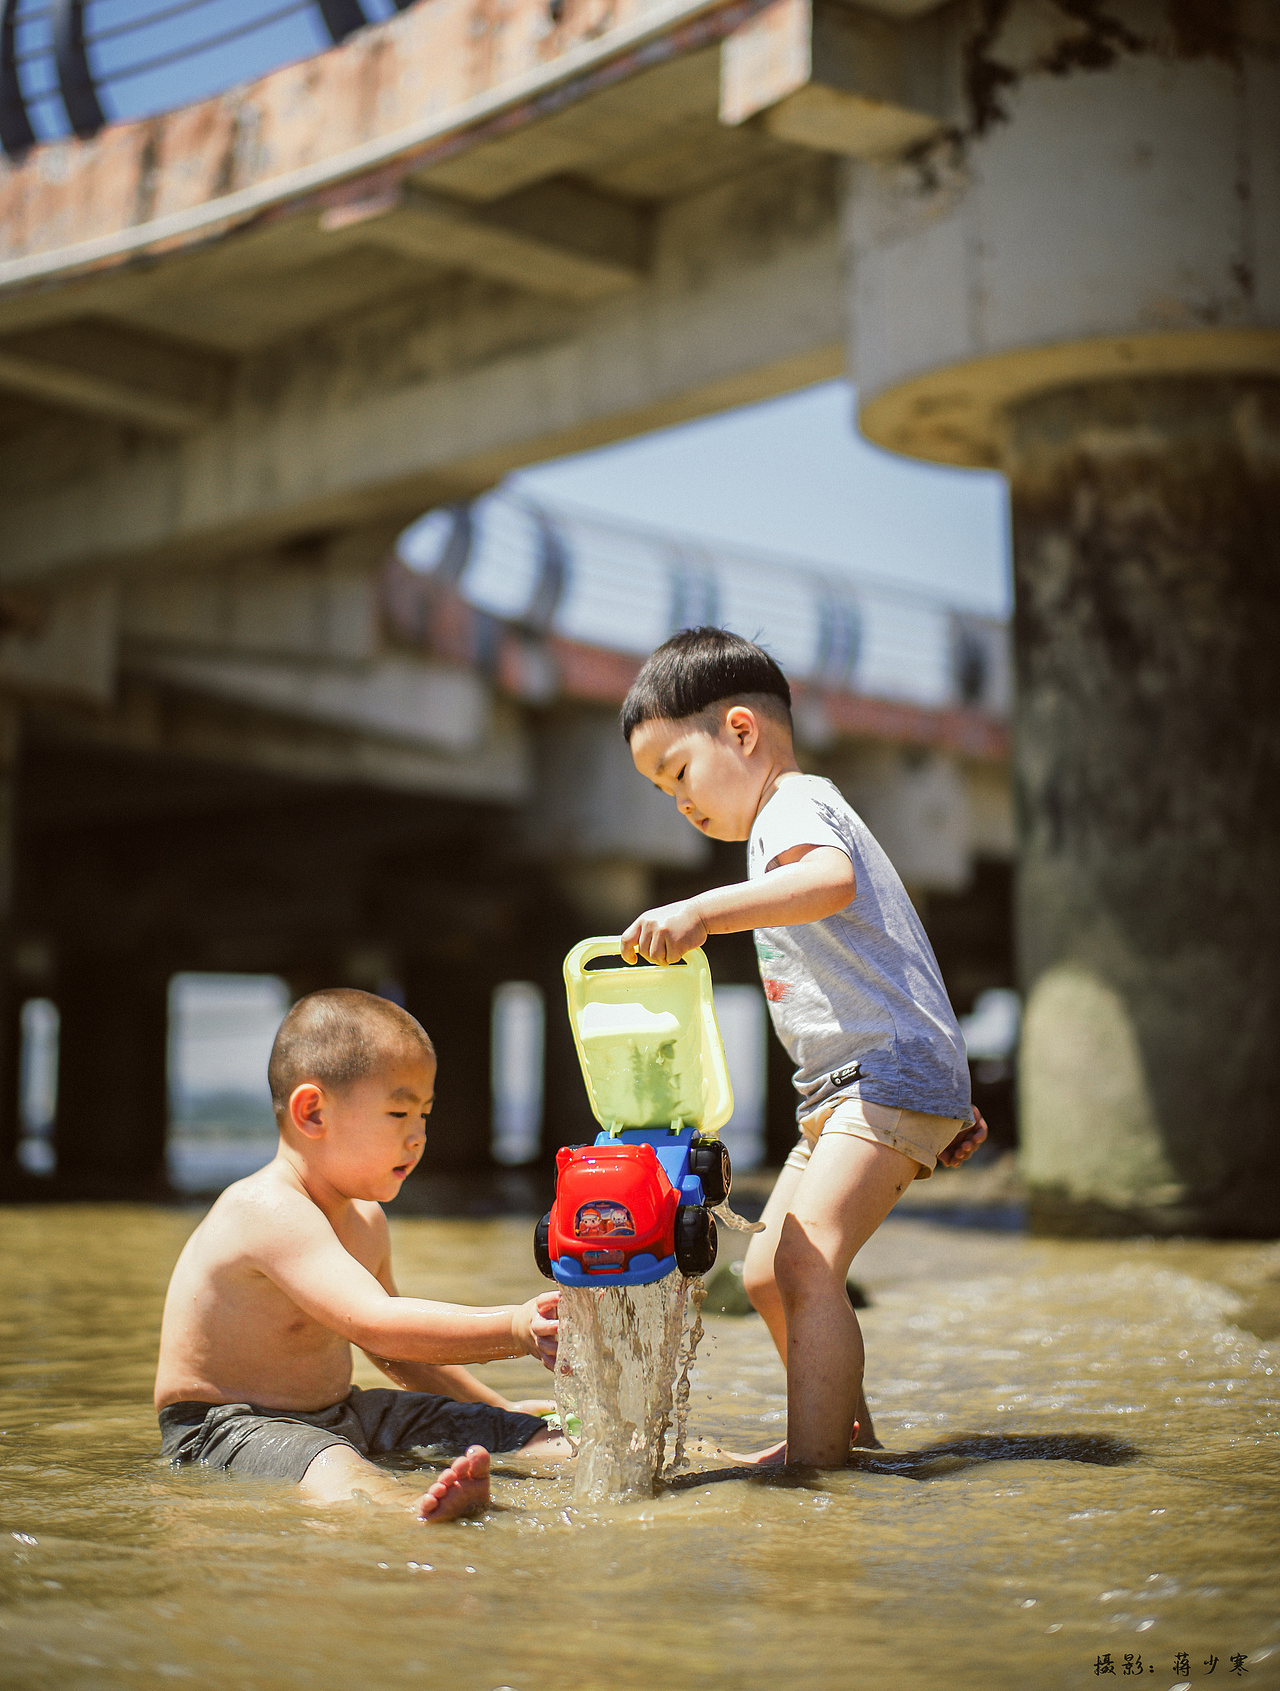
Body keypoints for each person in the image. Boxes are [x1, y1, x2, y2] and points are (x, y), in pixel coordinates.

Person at [619, 627, 988, 1468]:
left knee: (805, 1258)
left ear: (741, 731)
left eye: (678, 772)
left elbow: (832, 882)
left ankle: (817, 1470)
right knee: (765, 1273)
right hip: (847, 1085)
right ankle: (846, 1441)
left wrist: (703, 911)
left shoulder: (792, 806)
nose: (679, 802)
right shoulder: (780, 822)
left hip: (879, 1076)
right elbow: (889, 952)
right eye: (662, 790)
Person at [155, 988, 568, 1523]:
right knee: (331, 1461)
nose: (418, 1137)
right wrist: (514, 1328)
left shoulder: (366, 1220)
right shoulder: (264, 1208)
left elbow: (399, 1354)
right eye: (398, 1112)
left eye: (424, 1114)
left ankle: (593, 1456)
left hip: (343, 1411)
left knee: (507, 1430)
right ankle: (406, 1507)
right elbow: (377, 1324)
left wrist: (499, 1409)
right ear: (312, 1112)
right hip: (225, 1425)